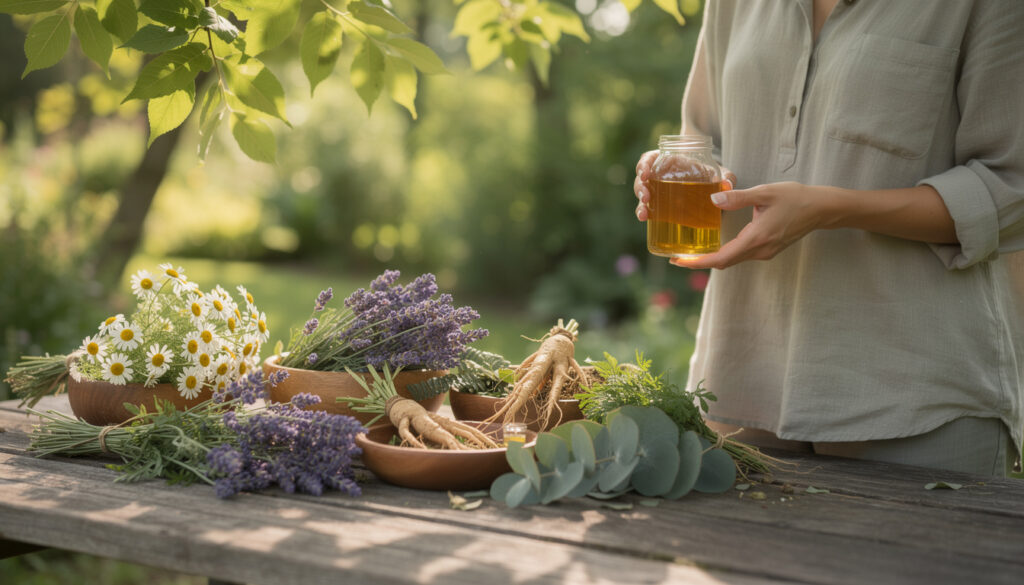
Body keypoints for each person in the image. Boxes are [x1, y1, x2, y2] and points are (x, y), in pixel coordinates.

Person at [633, 0, 1024, 476]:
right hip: (742, 383)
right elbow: (701, 136)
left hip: (915, 399)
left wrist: (832, 209)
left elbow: (1009, 188)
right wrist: (675, 167)